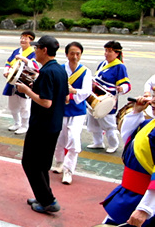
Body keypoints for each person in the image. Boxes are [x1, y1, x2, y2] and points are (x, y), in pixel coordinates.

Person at [67, 95, 155, 227]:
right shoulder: (151, 122)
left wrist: (145, 208)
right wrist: (136, 112)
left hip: (138, 198)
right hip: (135, 194)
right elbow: (130, 142)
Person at [17, 35, 69, 214]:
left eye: (37, 48)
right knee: (42, 164)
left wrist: (26, 90)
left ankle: (48, 201)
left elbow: (46, 102)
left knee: (30, 163)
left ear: (44, 50)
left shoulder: (47, 72)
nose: (35, 51)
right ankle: (43, 197)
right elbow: (66, 97)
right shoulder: (60, 69)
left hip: (42, 125)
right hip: (54, 125)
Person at [51, 42, 92, 185]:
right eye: (72, 53)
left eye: (78, 54)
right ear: (67, 54)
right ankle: (59, 162)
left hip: (77, 111)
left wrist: (73, 91)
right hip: (61, 109)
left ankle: (69, 170)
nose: (75, 57)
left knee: (74, 139)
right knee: (59, 138)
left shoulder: (85, 71)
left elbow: (87, 91)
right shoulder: (61, 69)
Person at [87, 40, 131, 153]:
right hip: (96, 96)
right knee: (94, 120)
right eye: (106, 51)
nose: (106, 53)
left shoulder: (119, 67)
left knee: (108, 123)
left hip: (108, 98)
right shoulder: (102, 64)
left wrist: (122, 88)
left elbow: (126, 84)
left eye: (110, 51)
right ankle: (98, 142)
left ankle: (113, 144)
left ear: (117, 53)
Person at [3, 31, 39, 135]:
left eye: (26, 38)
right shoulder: (16, 51)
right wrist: (6, 70)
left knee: (25, 105)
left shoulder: (33, 52)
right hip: (13, 80)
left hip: (25, 82)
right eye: (22, 38)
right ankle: (17, 123)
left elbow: (35, 67)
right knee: (12, 104)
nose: (23, 40)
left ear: (31, 41)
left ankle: (25, 125)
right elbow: (8, 62)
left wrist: (23, 59)